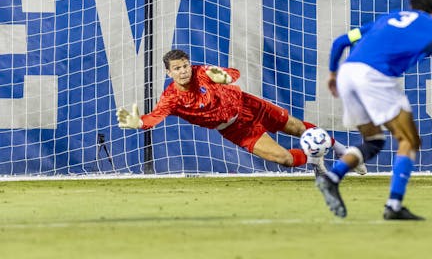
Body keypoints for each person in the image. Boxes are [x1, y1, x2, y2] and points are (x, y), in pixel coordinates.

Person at [315, 0, 432, 221]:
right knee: (409, 140)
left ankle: (331, 178)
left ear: (411, 4)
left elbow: (341, 41)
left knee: (373, 142)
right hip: (375, 76)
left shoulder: (386, 19)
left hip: (347, 73)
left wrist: (332, 73)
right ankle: (393, 205)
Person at [116, 49, 362, 173]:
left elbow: (233, 73)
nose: (183, 71)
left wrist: (224, 77)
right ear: (168, 73)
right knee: (284, 159)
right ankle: (315, 159)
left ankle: (344, 151)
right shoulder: (171, 98)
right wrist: (138, 122)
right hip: (236, 128)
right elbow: (154, 117)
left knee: (297, 127)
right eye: (177, 69)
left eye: (185, 66)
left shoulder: (202, 72)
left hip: (249, 104)